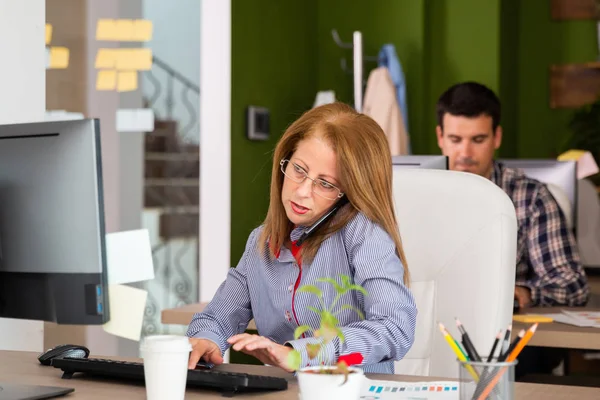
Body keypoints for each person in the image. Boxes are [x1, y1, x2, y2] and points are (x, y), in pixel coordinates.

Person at [186, 102, 417, 374]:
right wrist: (207, 339)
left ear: (349, 193)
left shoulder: (363, 233)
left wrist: (304, 354)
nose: (303, 191)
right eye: (299, 170)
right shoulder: (260, 243)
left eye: (325, 184)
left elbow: (395, 328)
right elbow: (218, 317)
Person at [435, 81, 589, 377]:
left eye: (478, 139)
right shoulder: (419, 193)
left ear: (497, 137)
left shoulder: (531, 196)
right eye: (455, 139)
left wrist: (523, 293)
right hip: (437, 323)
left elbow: (572, 283)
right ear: (440, 137)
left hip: (506, 335)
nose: (465, 152)